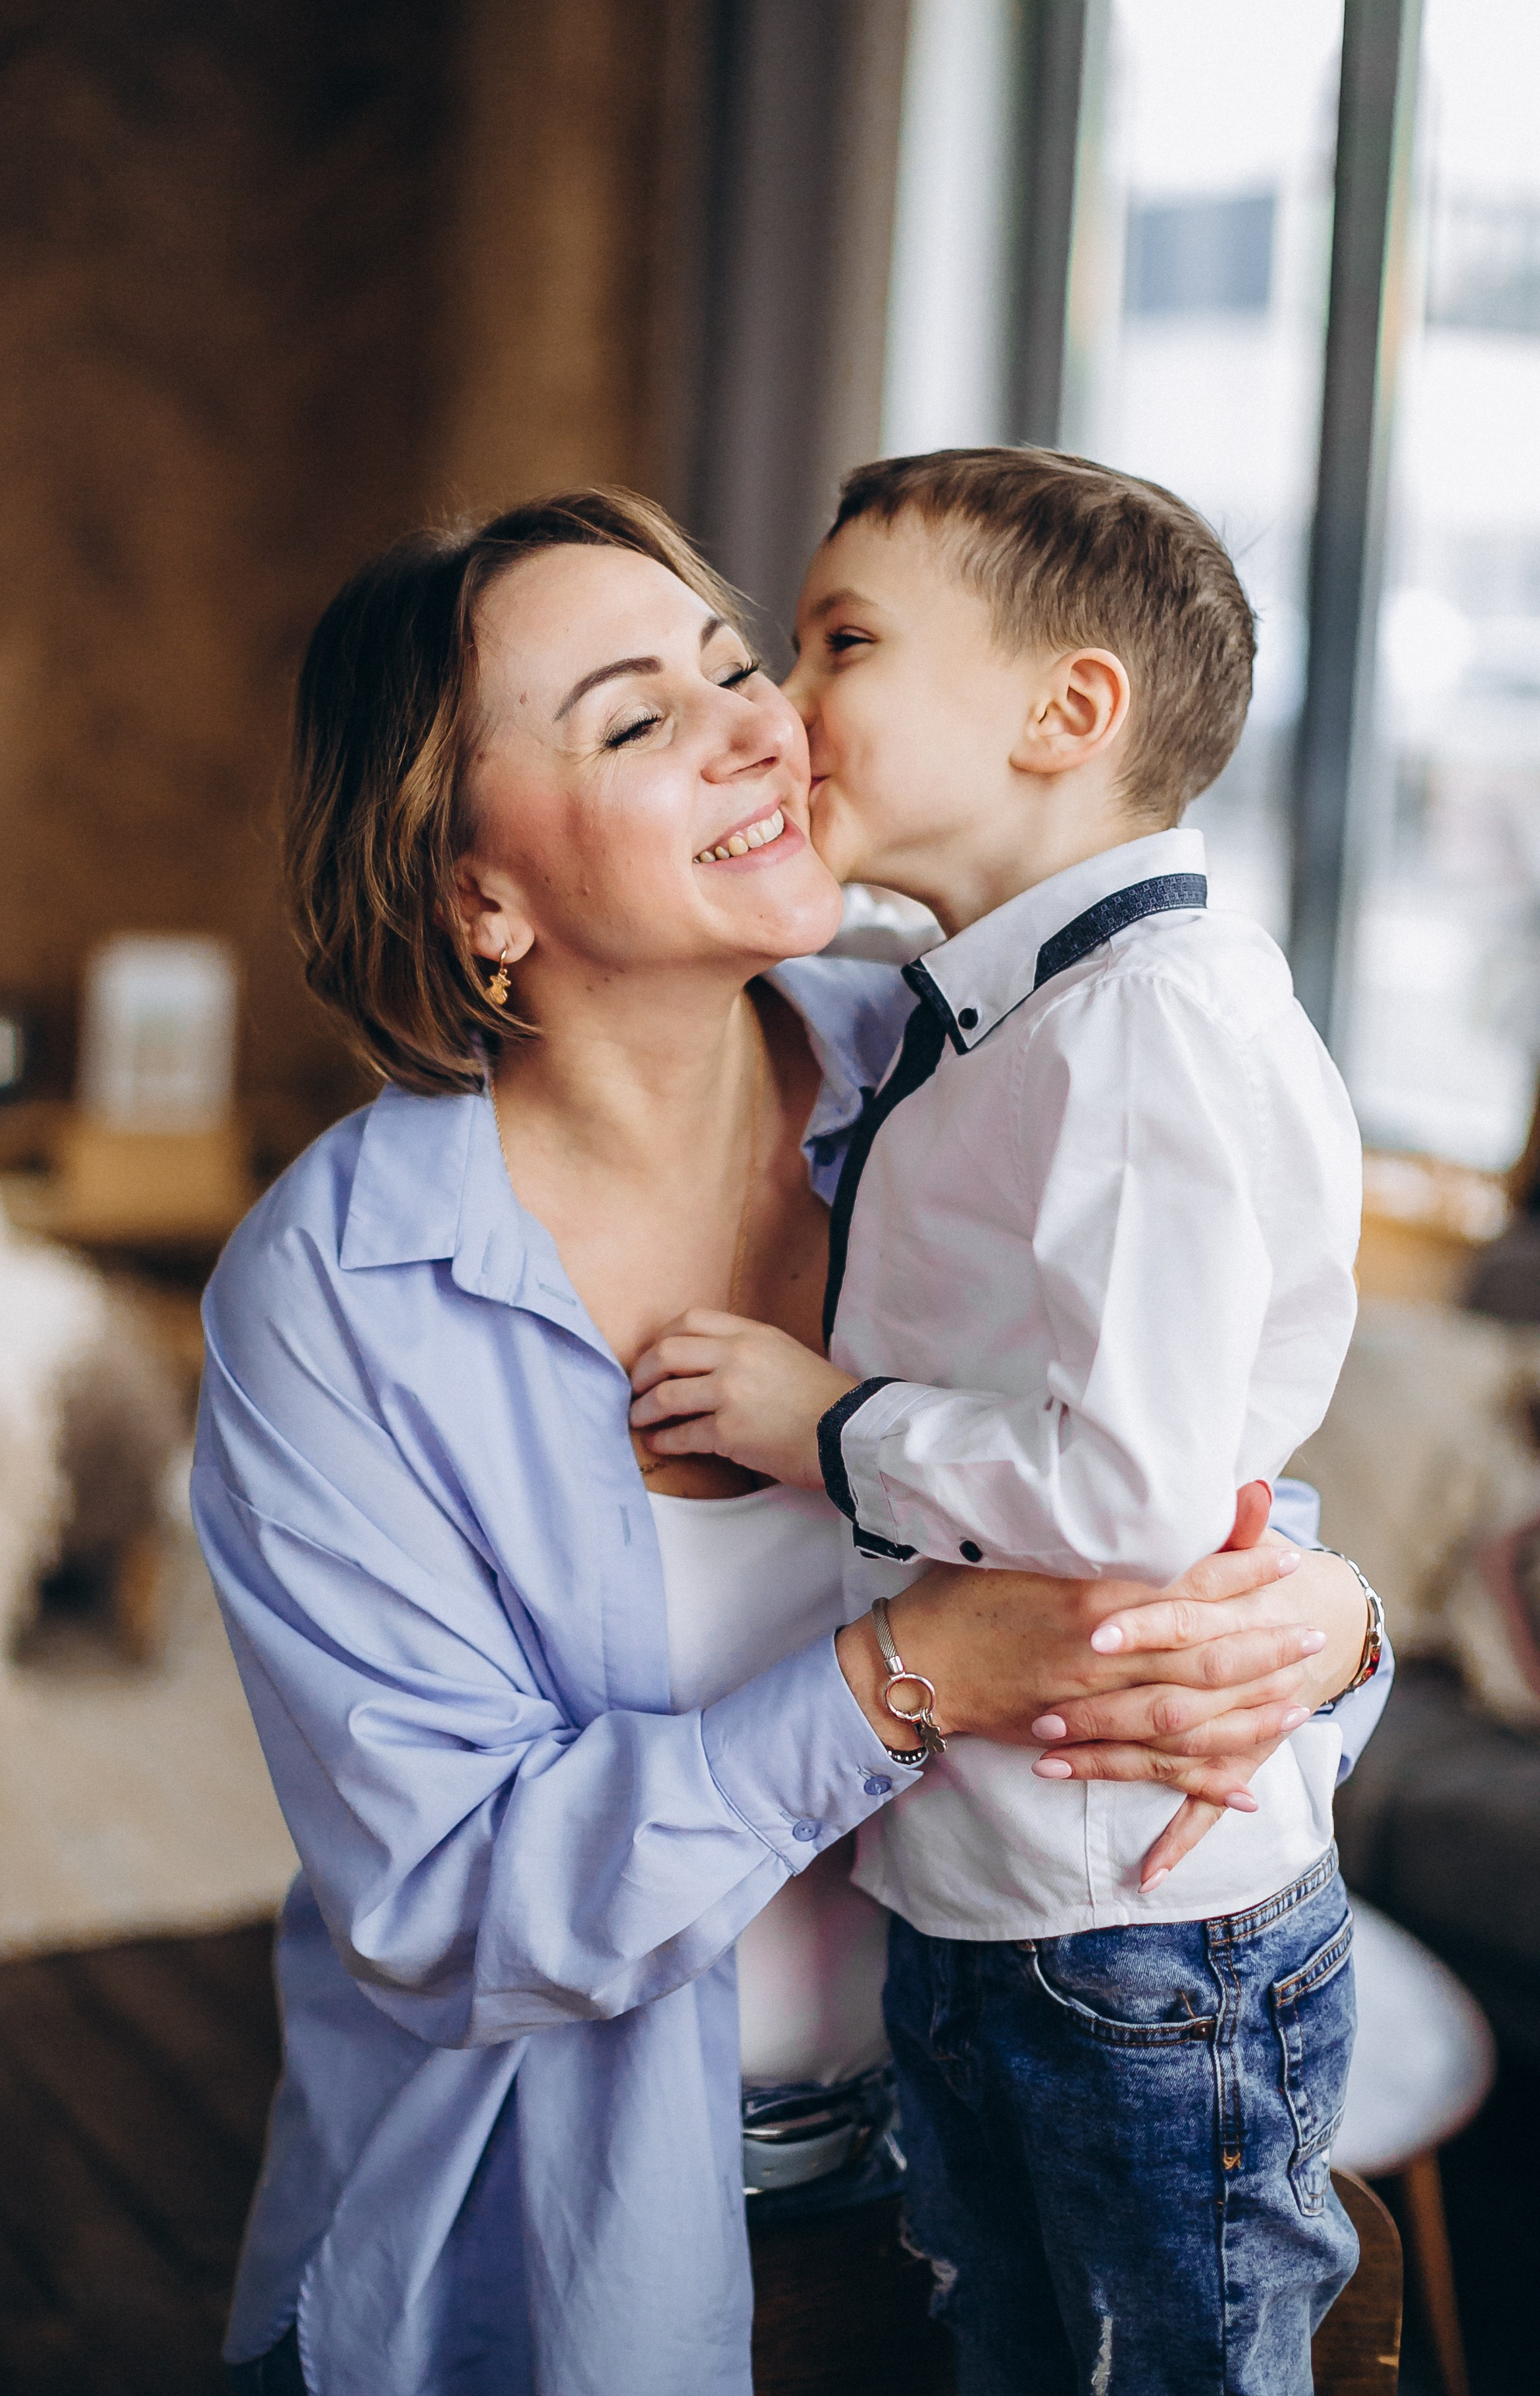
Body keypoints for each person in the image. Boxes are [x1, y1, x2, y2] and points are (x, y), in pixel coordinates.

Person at [192, 486, 1384, 2396]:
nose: (762, 722)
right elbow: (446, 1907)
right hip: (568, 2247)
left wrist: (1325, 1628)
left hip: (1025, 2138)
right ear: (476, 890)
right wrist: (905, 1676)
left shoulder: (996, 1059)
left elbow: (1195, 1469)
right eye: (636, 718)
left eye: (745, 664)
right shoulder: (336, 1295)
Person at [630, 449, 1381, 2395]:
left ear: (1070, 714)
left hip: (1125, 1930)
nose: (780, 707)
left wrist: (828, 1424)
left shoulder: (1147, 1032)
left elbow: (1136, 1488)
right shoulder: (974, 1012)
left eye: (843, 642)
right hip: (983, 1891)